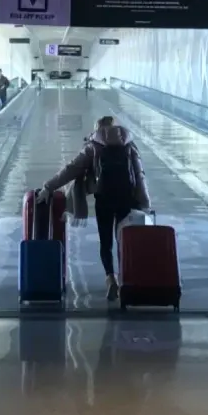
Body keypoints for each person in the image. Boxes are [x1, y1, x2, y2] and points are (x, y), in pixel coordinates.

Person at [37, 116, 150, 300]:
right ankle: (125, 281)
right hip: (127, 199)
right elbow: (139, 174)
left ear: (98, 128)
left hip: (104, 198)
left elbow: (71, 169)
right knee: (124, 239)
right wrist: (145, 202)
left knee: (106, 242)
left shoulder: (94, 146)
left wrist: (49, 186)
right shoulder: (129, 144)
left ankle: (110, 279)